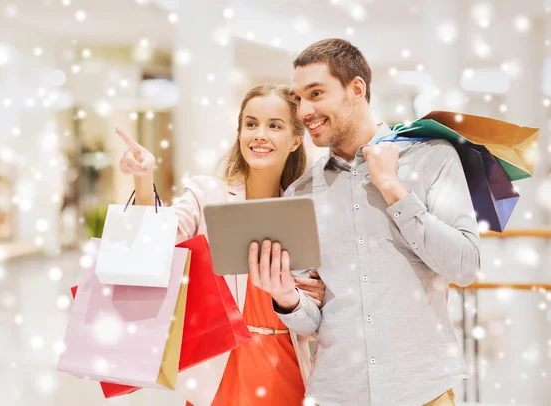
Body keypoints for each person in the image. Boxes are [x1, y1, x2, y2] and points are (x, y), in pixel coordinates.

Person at [248, 39, 481, 406]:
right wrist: (285, 296)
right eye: (298, 99)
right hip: (337, 393)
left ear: (356, 89)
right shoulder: (301, 193)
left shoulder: (432, 158)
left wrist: (393, 188)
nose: (304, 110)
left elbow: (465, 266)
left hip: (421, 390)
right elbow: (311, 323)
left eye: (316, 93)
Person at [116, 83, 326, 406]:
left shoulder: (309, 209)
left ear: (296, 139)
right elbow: (153, 244)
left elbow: (321, 312)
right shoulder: (206, 196)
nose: (259, 135)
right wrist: (144, 180)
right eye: (251, 124)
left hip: (286, 371)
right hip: (218, 373)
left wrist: (320, 293)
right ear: (239, 131)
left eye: (275, 126)